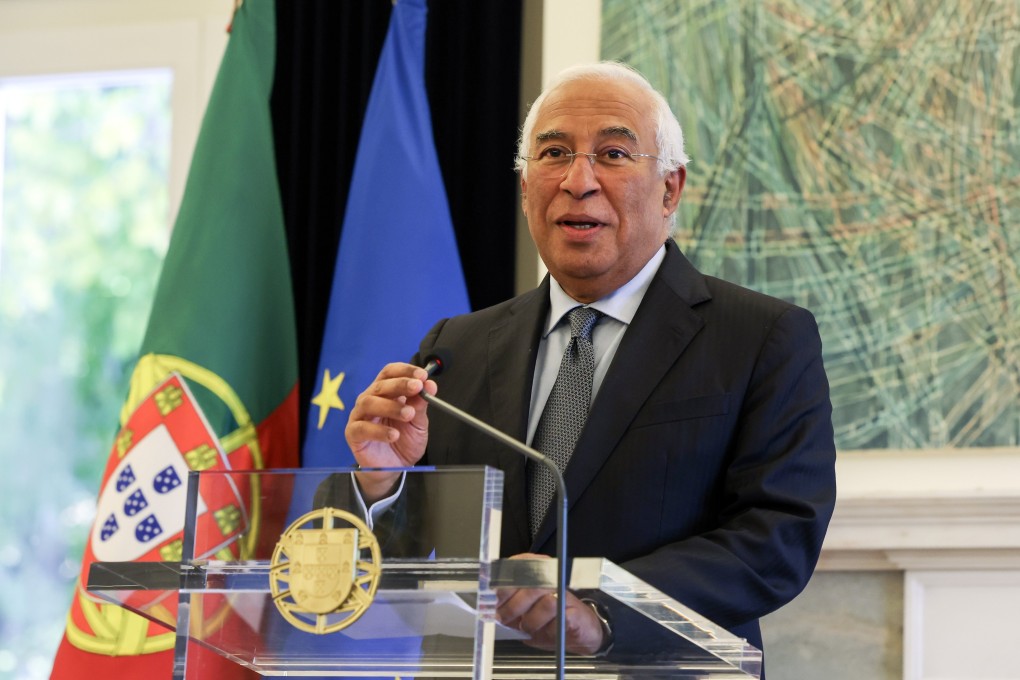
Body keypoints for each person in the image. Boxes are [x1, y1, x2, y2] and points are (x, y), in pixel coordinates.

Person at [342, 61, 837, 667]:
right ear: (526, 190)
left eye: (613, 154)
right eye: (553, 153)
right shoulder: (457, 346)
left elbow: (775, 539)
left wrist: (602, 609)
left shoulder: (761, 338)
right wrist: (382, 481)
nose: (579, 181)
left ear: (670, 189)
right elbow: (404, 559)